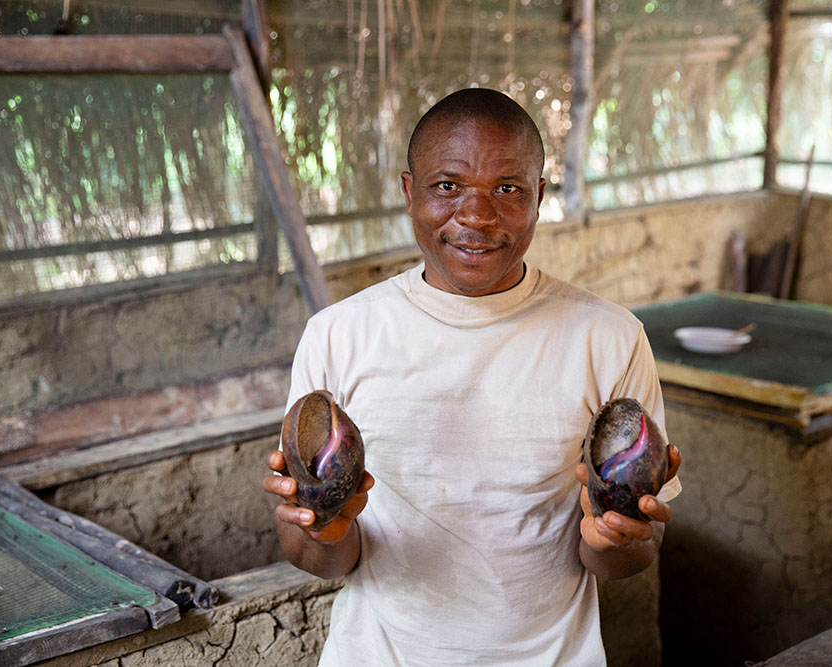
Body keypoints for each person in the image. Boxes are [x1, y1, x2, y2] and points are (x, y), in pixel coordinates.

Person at [263, 87, 682, 666]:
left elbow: (626, 560)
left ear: (539, 197)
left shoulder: (608, 337)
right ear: (410, 193)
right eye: (447, 186)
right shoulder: (339, 336)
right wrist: (321, 527)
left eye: (507, 189)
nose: (477, 215)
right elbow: (323, 558)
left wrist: (616, 537)